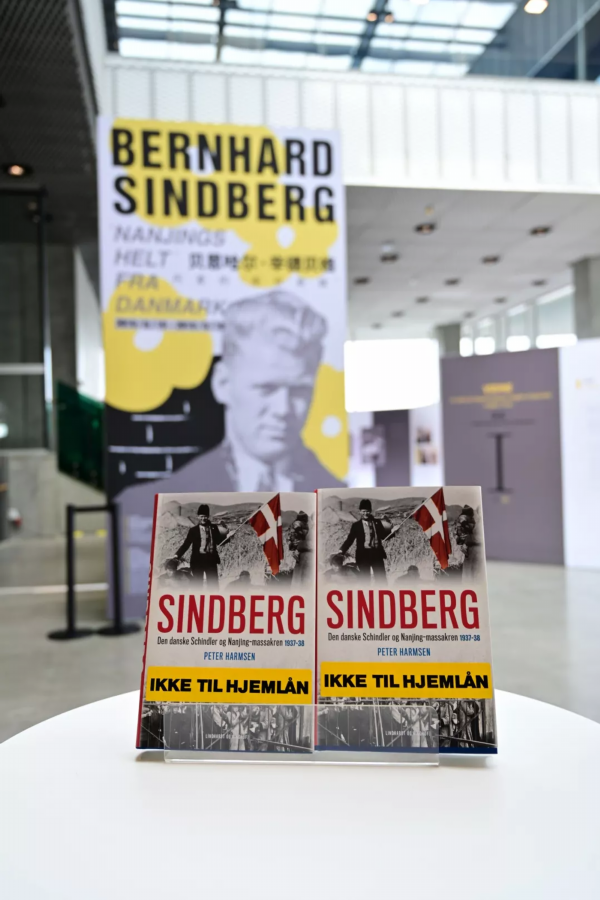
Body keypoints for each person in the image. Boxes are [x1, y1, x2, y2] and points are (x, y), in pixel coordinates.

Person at [174, 504, 229, 586]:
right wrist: (177, 555)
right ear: (198, 517)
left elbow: (219, 542)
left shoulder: (214, 528)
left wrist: (228, 537)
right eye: (201, 516)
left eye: (205, 516)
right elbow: (186, 544)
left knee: (213, 585)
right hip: (197, 561)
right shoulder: (193, 530)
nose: (203, 518)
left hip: (211, 560)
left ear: (208, 516)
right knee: (197, 585)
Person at [339, 499, 392, 582]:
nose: (365, 513)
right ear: (360, 511)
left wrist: (393, 531)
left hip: (377, 555)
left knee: (381, 579)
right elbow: (350, 539)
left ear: (370, 511)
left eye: (367, 511)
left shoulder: (377, 522)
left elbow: (383, 536)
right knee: (365, 581)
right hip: (363, 556)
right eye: (363, 511)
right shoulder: (356, 526)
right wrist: (341, 550)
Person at [288, 511, 312, 585]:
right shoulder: (308, 524)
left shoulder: (298, 523)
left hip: (302, 552)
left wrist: (293, 548)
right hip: (306, 552)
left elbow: (294, 537)